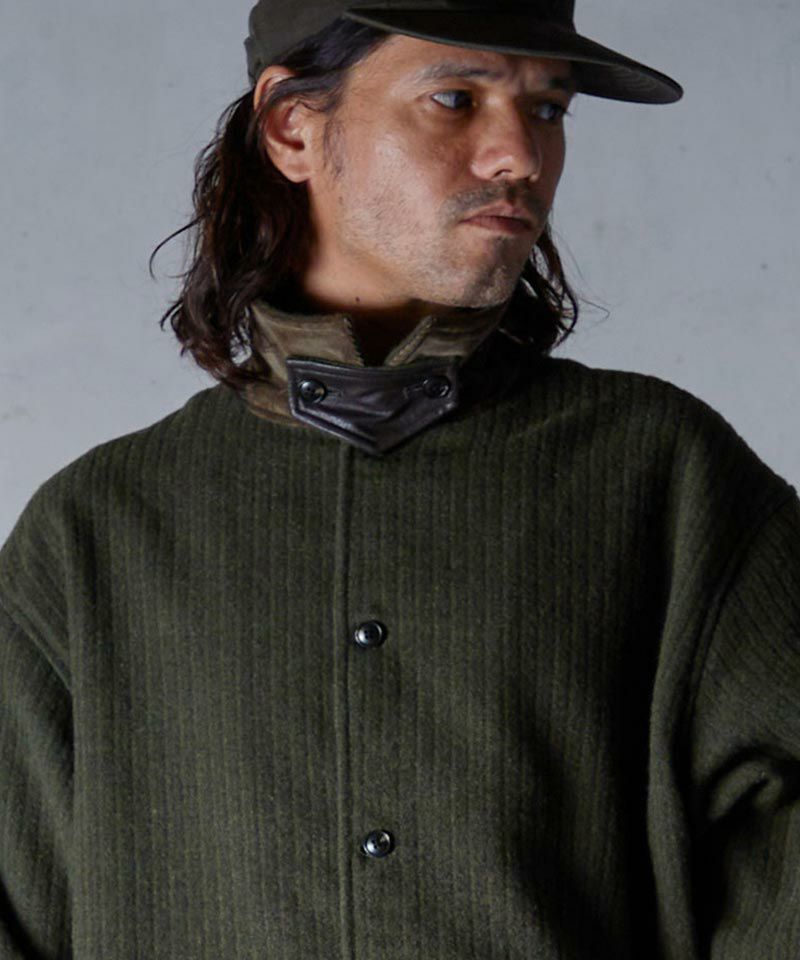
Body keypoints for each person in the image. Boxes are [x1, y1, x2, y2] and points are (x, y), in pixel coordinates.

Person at [1, 1, 798, 957]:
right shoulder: (92, 534)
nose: (520, 155)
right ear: (293, 126)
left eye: (548, 109)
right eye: (455, 98)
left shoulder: (670, 479)